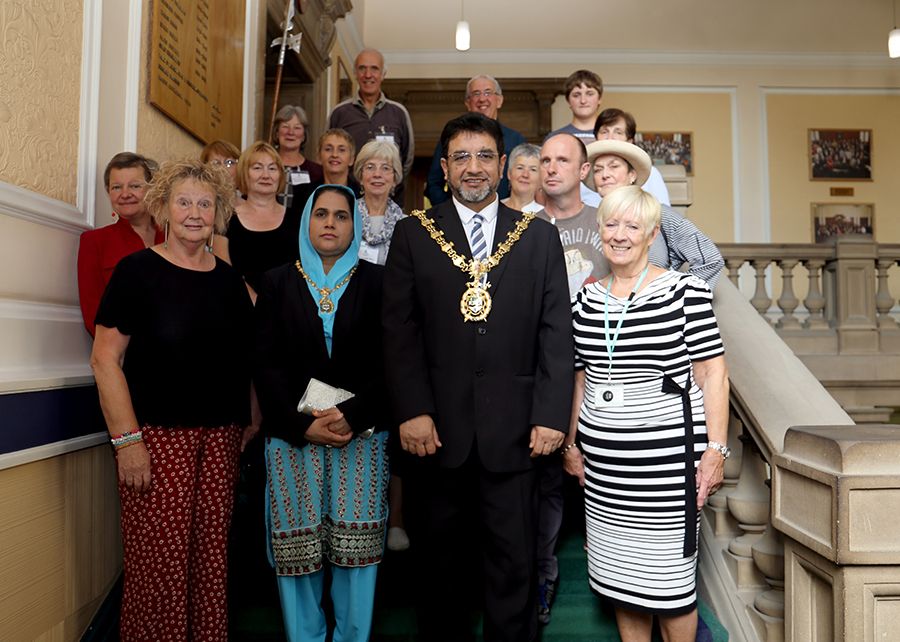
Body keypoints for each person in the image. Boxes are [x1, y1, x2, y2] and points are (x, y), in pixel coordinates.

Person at [383, 112, 574, 642]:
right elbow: (399, 332)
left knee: (514, 570)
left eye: (485, 156)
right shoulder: (413, 235)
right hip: (435, 436)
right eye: (461, 157)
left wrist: (550, 415)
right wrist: (413, 411)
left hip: (517, 436)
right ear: (443, 168)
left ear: (504, 165)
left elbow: (555, 333)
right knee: (440, 575)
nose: (474, 168)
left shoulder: (536, 238)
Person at [90, 159, 253, 641]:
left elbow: (248, 354)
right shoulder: (136, 272)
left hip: (220, 441)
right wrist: (127, 442)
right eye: (183, 201)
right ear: (162, 206)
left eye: (205, 203)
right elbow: (105, 360)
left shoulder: (227, 280)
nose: (194, 213)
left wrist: (251, 418)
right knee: (157, 570)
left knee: (209, 565)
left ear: (219, 212)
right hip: (157, 441)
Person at [562, 185, 729, 642]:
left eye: (633, 226)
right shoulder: (585, 300)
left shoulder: (685, 291)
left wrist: (716, 451)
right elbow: (581, 378)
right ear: (600, 231)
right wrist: (573, 444)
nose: (620, 235)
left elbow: (713, 374)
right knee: (622, 588)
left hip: (667, 470)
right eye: (611, 224)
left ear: (652, 233)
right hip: (605, 474)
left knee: (671, 591)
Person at [254, 184, 390, 642]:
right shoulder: (276, 283)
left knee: (357, 552)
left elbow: (395, 360)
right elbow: (265, 365)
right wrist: (301, 425)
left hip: (363, 435)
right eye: (321, 214)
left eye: (341, 216)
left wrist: (352, 414)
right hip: (294, 439)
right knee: (298, 551)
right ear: (306, 221)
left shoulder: (379, 282)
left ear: (355, 225)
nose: (330, 223)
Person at [585, 139, 724, 287]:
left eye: (614, 166)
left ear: (632, 175)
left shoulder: (659, 214)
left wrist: (674, 297)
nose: (605, 174)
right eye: (598, 169)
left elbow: (710, 259)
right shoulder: (585, 218)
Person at [77, 152, 162, 336]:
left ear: (151, 189)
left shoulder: (173, 238)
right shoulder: (94, 242)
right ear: (108, 192)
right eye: (116, 187)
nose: (125, 194)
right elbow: (93, 313)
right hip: (124, 356)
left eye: (135, 186)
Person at [424, 75, 527, 206]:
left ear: (499, 100)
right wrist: (452, 212)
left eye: (488, 92)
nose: (482, 99)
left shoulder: (516, 140)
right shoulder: (452, 137)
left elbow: (526, 181)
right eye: (476, 94)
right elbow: (433, 184)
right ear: (467, 102)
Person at [328, 48, 414, 205]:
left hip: (390, 201)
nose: (368, 75)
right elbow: (328, 153)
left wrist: (388, 183)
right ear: (355, 73)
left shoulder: (399, 113)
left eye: (374, 69)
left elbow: (406, 160)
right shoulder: (339, 113)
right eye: (362, 68)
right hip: (348, 200)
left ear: (383, 74)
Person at [223, 141, 297, 301]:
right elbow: (223, 270)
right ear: (244, 173)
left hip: (288, 309)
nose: (266, 175)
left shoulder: (297, 219)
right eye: (257, 168)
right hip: (240, 307)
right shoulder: (226, 219)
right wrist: (258, 303)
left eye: (272, 168)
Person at [594, 108, 671, 207]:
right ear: (596, 138)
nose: (610, 138)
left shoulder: (650, 173)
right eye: (604, 132)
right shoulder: (585, 174)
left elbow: (663, 215)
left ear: (629, 141)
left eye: (618, 132)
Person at [352, 139, 406, 266]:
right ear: (361, 176)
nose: (377, 174)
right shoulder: (347, 217)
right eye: (370, 167)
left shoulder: (404, 225)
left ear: (394, 179)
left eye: (385, 168)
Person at [271, 105, 324, 209]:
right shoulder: (265, 168)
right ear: (277, 133)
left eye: (297, 128)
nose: (291, 132)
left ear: (304, 136)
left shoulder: (317, 172)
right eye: (285, 126)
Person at [548, 69, 604, 145]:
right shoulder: (554, 138)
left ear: (599, 99)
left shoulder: (611, 136)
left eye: (589, 94)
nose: (583, 101)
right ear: (568, 101)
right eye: (576, 95)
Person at [501, 143, 542, 213]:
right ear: (509, 173)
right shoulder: (494, 209)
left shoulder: (546, 217)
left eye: (533, 169)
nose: (525, 175)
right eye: (520, 168)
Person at [319, 128, 361, 197]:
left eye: (341, 150)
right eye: (328, 149)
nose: (334, 155)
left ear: (351, 159)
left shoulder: (360, 194)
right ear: (319, 157)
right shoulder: (303, 193)